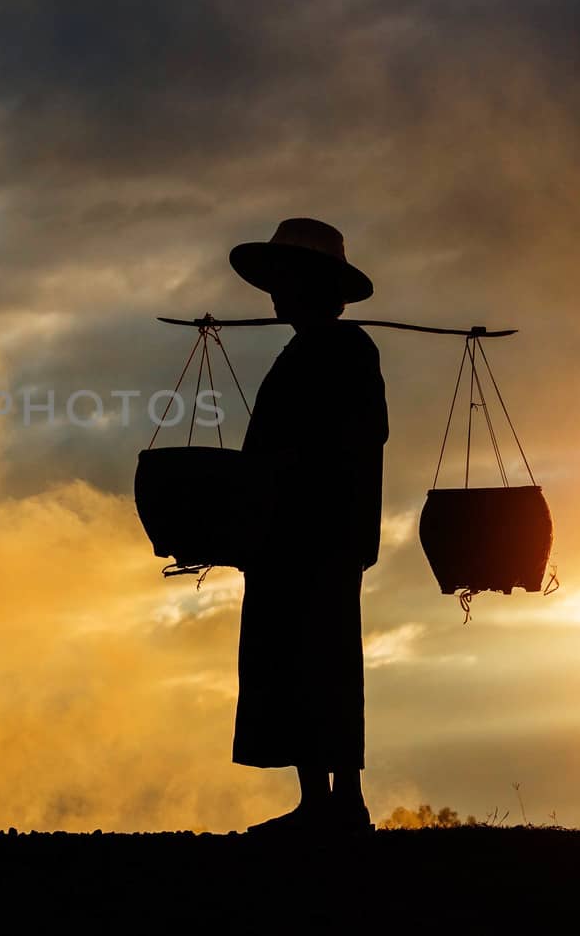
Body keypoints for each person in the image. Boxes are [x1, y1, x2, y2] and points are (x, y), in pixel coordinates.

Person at [227, 218, 388, 835]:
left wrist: (285, 466)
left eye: (284, 281)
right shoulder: (304, 350)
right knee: (288, 658)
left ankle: (342, 801)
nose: (273, 295)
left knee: (323, 658)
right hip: (283, 530)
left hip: (319, 531)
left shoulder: (346, 349)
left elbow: (356, 435)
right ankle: (317, 800)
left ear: (313, 288)